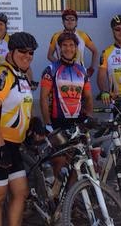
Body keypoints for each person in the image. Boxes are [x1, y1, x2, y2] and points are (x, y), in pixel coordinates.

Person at [0, 32, 37, 226]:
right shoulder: (3, 74)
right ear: (11, 52)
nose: (27, 56)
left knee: (20, 191)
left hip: (12, 144)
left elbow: (20, 107)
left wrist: (31, 126)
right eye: (22, 51)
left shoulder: (21, 76)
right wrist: (0, 146)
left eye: (31, 53)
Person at [39, 30, 93, 193]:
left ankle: (70, 198)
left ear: (76, 48)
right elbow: (43, 98)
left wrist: (88, 118)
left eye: (71, 45)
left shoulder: (82, 70)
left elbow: (88, 97)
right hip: (58, 123)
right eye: (64, 45)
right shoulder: (51, 69)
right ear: (59, 48)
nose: (68, 48)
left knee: (76, 162)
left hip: (76, 123)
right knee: (59, 162)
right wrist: (48, 124)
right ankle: (56, 197)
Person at [46, 8, 99, 77]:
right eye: (67, 19)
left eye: (72, 19)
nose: (70, 22)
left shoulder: (83, 35)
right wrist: (59, 65)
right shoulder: (56, 36)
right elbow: (49, 55)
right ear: (63, 22)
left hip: (80, 73)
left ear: (76, 22)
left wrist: (92, 68)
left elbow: (95, 51)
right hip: (62, 74)